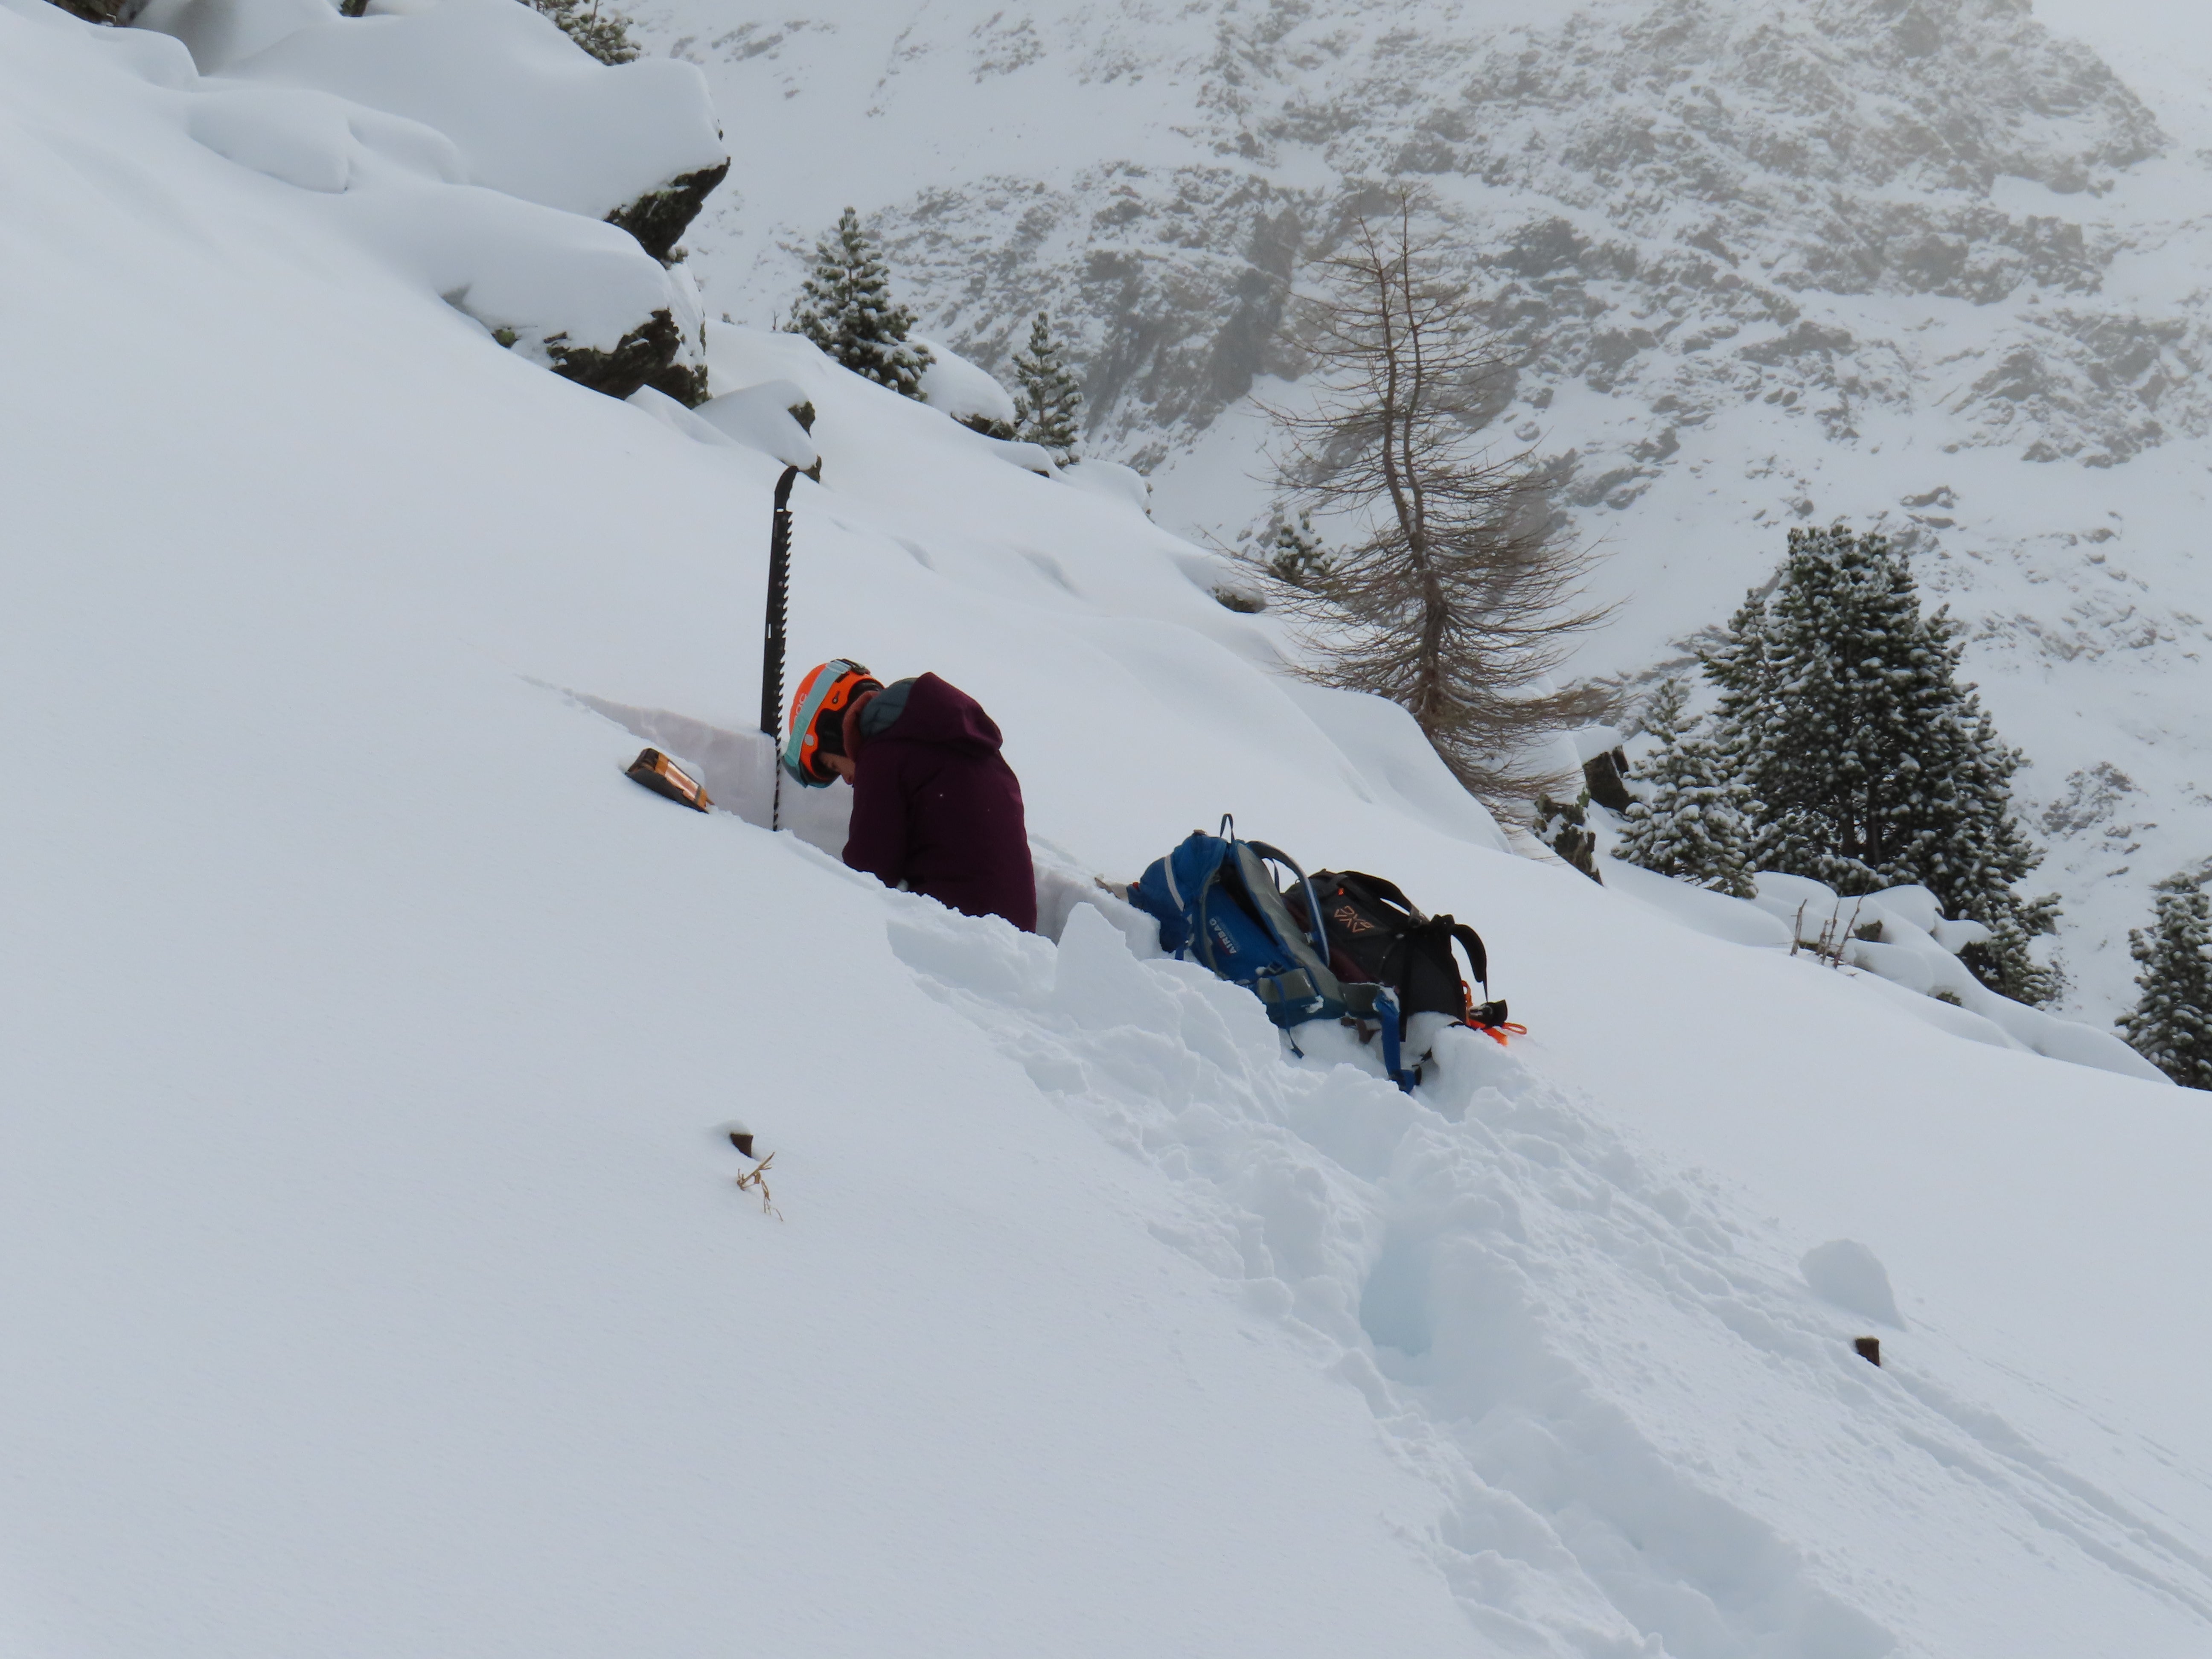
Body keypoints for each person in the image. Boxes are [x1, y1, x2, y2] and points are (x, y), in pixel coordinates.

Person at [783, 659, 1036, 933]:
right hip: (1015, 935)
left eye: (834, 766)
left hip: (962, 934)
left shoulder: (883, 756)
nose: (846, 779)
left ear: (833, 733)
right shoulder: (949, 737)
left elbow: (866, 876)